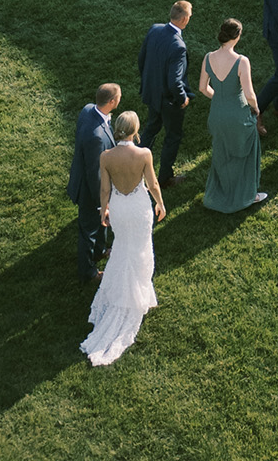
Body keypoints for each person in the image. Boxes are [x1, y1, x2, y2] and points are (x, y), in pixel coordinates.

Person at [80, 111, 165, 366]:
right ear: (134, 130)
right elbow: (153, 183)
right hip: (139, 209)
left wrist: (104, 209)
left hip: (119, 208)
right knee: (140, 249)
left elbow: (104, 188)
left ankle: (124, 291)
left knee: (121, 247)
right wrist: (160, 203)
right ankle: (140, 292)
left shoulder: (106, 157)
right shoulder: (144, 154)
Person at [198, 18, 267, 211]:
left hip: (217, 114)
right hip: (238, 115)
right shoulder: (241, 61)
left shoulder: (208, 57)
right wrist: (256, 109)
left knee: (223, 154)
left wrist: (220, 99)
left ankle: (223, 192)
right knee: (245, 153)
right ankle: (249, 195)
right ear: (236, 37)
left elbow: (203, 88)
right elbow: (249, 94)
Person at [68, 81, 120, 281]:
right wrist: (102, 204)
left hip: (90, 182)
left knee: (100, 225)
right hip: (90, 190)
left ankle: (100, 250)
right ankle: (87, 271)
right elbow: (94, 173)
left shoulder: (88, 109)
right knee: (88, 229)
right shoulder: (96, 137)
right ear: (112, 101)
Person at [137, 0, 192, 184]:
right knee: (173, 136)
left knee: (151, 127)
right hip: (169, 101)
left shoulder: (154, 29)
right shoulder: (178, 46)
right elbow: (175, 81)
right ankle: (165, 177)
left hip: (152, 93)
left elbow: (142, 59)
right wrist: (182, 98)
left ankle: (134, 165)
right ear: (184, 19)